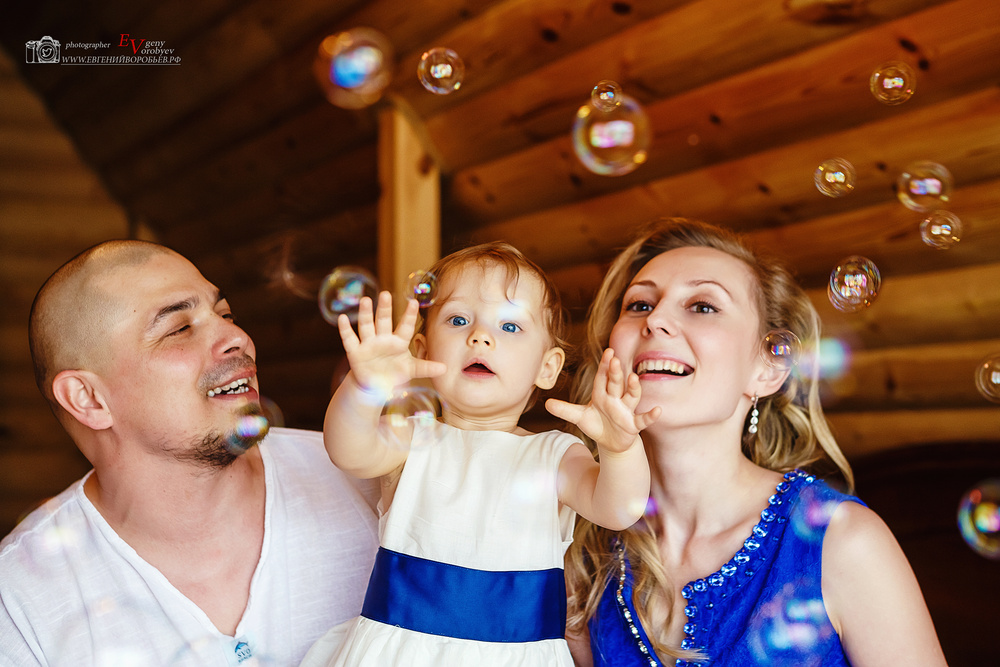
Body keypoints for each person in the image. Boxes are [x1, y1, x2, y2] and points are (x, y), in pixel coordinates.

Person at [564, 218, 948, 666]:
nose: (656, 320)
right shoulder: (582, 555)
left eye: (703, 306)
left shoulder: (841, 542)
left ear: (767, 369)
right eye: (639, 304)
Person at [0, 240, 380, 666]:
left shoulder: (370, 484)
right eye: (179, 328)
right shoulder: (18, 601)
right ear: (88, 398)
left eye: (225, 314)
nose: (238, 337)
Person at [302, 242, 655, 666]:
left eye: (510, 327)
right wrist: (366, 388)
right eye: (458, 319)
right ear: (422, 350)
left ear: (547, 367)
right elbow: (348, 450)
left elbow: (619, 509)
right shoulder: (413, 439)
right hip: (399, 650)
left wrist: (620, 448)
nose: (480, 335)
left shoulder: (555, 455)